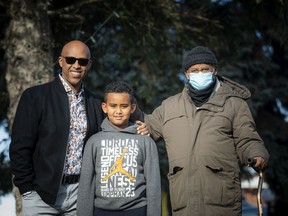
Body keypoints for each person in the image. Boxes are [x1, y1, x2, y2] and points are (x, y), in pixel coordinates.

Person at [9, 40, 148, 216]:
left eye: (82, 61)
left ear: (89, 65)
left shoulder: (95, 103)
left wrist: (141, 125)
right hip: (40, 196)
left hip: (79, 196)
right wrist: (27, 189)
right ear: (61, 61)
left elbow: (119, 115)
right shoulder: (35, 97)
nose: (76, 65)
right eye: (70, 60)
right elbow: (20, 147)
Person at [138, 46, 270, 215]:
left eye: (205, 69)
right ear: (187, 74)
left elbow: (247, 138)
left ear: (214, 70)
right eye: (195, 70)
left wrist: (257, 154)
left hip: (222, 200)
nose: (200, 73)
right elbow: (147, 125)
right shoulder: (169, 106)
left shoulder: (234, 104)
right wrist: (124, 116)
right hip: (183, 201)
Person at [76, 81, 161, 216]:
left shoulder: (145, 141)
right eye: (113, 106)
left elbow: (154, 186)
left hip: (137, 210)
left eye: (124, 106)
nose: (118, 111)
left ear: (132, 108)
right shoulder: (94, 142)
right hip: (101, 211)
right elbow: (86, 186)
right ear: (104, 107)